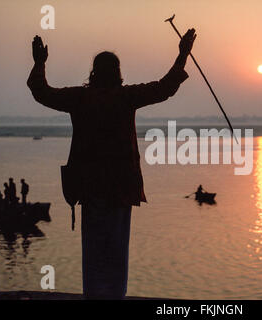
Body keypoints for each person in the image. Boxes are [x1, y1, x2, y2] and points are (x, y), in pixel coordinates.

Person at [27, 29, 196, 299]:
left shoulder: (80, 98)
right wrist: (182, 54)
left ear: (94, 73)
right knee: (116, 255)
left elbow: (41, 92)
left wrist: (39, 63)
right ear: (116, 73)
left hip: (91, 188)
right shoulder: (125, 97)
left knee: (94, 255)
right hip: (120, 187)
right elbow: (165, 88)